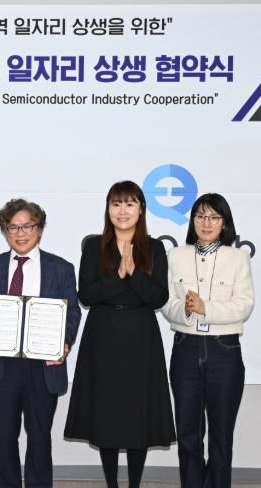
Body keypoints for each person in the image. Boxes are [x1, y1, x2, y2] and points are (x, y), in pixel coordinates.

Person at [64, 180, 175, 488]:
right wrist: (119, 275)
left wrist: (134, 273)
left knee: (139, 414)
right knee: (107, 414)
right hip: (103, 336)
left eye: (129, 204)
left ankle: (134, 484)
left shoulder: (154, 247)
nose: (122, 211)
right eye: (116, 204)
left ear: (141, 209)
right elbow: (87, 295)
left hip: (141, 337)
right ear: (108, 209)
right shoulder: (94, 246)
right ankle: (112, 484)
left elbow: (157, 297)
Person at [0, 198, 81, 488]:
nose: (20, 233)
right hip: (3, 365)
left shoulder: (61, 268)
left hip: (43, 366)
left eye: (27, 226)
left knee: (40, 438)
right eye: (13, 227)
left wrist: (64, 343)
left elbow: (72, 312)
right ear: (5, 231)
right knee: (5, 437)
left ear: (40, 228)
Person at [161, 193, 254, 488]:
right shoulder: (176, 256)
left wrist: (206, 308)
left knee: (221, 436)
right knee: (188, 434)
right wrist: (185, 310)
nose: (206, 223)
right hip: (185, 349)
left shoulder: (237, 258)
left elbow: (244, 305)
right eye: (200, 216)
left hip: (224, 350)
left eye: (214, 217)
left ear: (224, 223)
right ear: (192, 221)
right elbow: (166, 301)